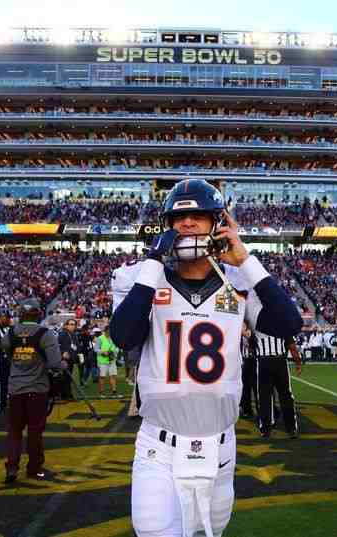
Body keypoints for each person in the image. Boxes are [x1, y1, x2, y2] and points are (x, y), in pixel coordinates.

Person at [109, 179, 302, 537]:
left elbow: (289, 324)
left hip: (221, 444)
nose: (187, 224)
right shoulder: (140, 278)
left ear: (219, 223)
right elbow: (123, 336)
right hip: (159, 445)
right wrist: (153, 263)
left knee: (210, 531)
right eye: (178, 219)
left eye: (198, 216)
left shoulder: (239, 281)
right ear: (166, 227)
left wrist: (245, 259)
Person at [0, 298, 62, 483]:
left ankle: (11, 468)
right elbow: (55, 363)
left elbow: (6, 351)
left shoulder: (10, 333)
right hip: (37, 388)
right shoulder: (45, 334)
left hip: (16, 388)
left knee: (14, 431)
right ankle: (34, 469)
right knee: (35, 431)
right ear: (38, 314)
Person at [253, 330, 302, 439]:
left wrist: (297, 360)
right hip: (277, 361)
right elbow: (291, 345)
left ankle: (266, 429)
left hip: (265, 361)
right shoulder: (282, 323)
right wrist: (297, 361)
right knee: (285, 396)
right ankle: (291, 428)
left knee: (266, 397)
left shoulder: (256, 324)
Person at [96, 325, 119, 397]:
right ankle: (101, 393)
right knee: (102, 377)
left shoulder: (114, 338)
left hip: (112, 360)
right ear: (105, 331)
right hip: (102, 361)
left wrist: (115, 352)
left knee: (113, 376)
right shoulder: (100, 338)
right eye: (108, 331)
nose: (110, 333)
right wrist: (103, 352)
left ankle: (114, 392)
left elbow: (117, 347)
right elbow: (96, 349)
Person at [57, 319, 78, 400]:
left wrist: (77, 353)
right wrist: (62, 353)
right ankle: (65, 395)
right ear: (66, 325)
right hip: (64, 360)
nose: (73, 326)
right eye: (71, 324)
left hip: (71, 359)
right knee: (65, 377)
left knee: (68, 377)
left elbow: (76, 346)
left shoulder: (73, 335)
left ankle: (67, 394)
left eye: (74, 324)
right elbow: (57, 345)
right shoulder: (62, 334)